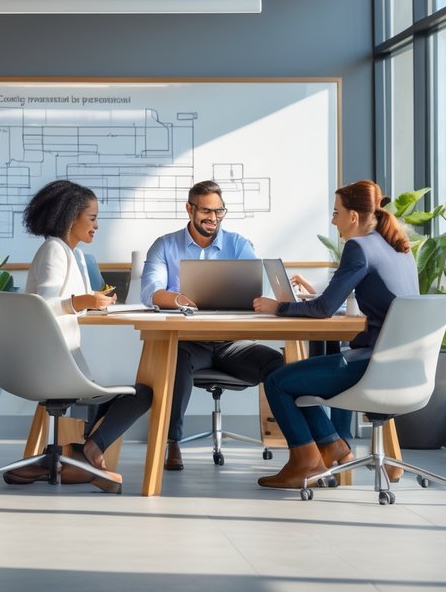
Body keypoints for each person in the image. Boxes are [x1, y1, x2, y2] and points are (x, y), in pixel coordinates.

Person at [251, 179, 419, 489]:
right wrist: (315, 301)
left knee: (277, 380)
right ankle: (331, 445)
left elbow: (323, 309)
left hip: (374, 365)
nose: (333, 220)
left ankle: (306, 461)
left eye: (336, 212)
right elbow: (369, 305)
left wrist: (279, 307)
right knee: (313, 371)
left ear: (353, 216)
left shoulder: (359, 247)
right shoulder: (398, 247)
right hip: (404, 367)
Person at [4, 180, 147, 494]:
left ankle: (75, 458)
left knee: (114, 386)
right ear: (71, 218)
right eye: (92, 217)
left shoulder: (70, 253)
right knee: (142, 392)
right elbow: (41, 305)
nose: (96, 225)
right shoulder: (55, 251)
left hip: (49, 360)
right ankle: (89, 454)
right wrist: (82, 302)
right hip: (53, 365)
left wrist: (90, 302)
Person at [140, 179, 284, 471]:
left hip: (232, 344)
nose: (213, 218)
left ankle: (302, 448)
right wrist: (181, 298)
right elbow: (150, 292)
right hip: (190, 344)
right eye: (206, 211)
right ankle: (172, 443)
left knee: (279, 364)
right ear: (189, 209)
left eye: (219, 211)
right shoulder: (165, 246)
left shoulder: (238, 244)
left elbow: (259, 288)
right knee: (175, 358)